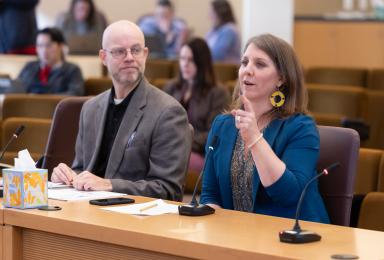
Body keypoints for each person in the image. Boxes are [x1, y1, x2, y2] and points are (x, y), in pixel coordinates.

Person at [51, 20, 192, 201]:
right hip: (86, 209)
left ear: (145, 54)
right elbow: (82, 169)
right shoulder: (90, 109)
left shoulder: (168, 112)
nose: (129, 57)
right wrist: (67, 177)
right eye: (119, 51)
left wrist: (109, 185)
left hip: (132, 219)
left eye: (135, 50)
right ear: (103, 57)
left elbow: (168, 189)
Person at [200, 34, 330, 223]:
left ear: (281, 79)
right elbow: (210, 194)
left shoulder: (301, 128)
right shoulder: (223, 125)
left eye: (260, 64)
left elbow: (289, 195)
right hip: (237, 236)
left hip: (295, 237)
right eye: (244, 62)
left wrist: (254, 139)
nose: (247, 70)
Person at [164, 38, 229, 156]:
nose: (185, 64)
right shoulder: (172, 87)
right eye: (182, 58)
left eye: (191, 60)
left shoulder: (218, 93)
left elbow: (214, 133)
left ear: (202, 63)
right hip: (169, 146)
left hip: (198, 152)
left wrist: (182, 141)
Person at [14, 27, 84, 95]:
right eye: (40, 46)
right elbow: (15, 90)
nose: (44, 51)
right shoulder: (29, 67)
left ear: (60, 46)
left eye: (48, 45)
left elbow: (75, 94)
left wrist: (43, 99)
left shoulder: (72, 70)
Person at [206, 0, 241, 64]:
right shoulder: (213, 31)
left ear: (220, 13)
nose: (209, 16)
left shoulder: (229, 30)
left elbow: (218, 54)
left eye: (212, 12)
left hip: (226, 70)